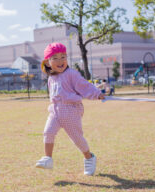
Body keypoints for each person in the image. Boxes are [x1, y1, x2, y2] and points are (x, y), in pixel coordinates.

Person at [36, 42, 105, 176]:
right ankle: (48, 158)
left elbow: (84, 86)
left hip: (71, 110)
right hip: (55, 110)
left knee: (77, 139)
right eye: (55, 58)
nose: (60, 60)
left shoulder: (72, 74)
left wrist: (97, 93)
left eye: (63, 57)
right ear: (48, 62)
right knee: (48, 132)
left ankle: (89, 157)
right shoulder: (51, 78)